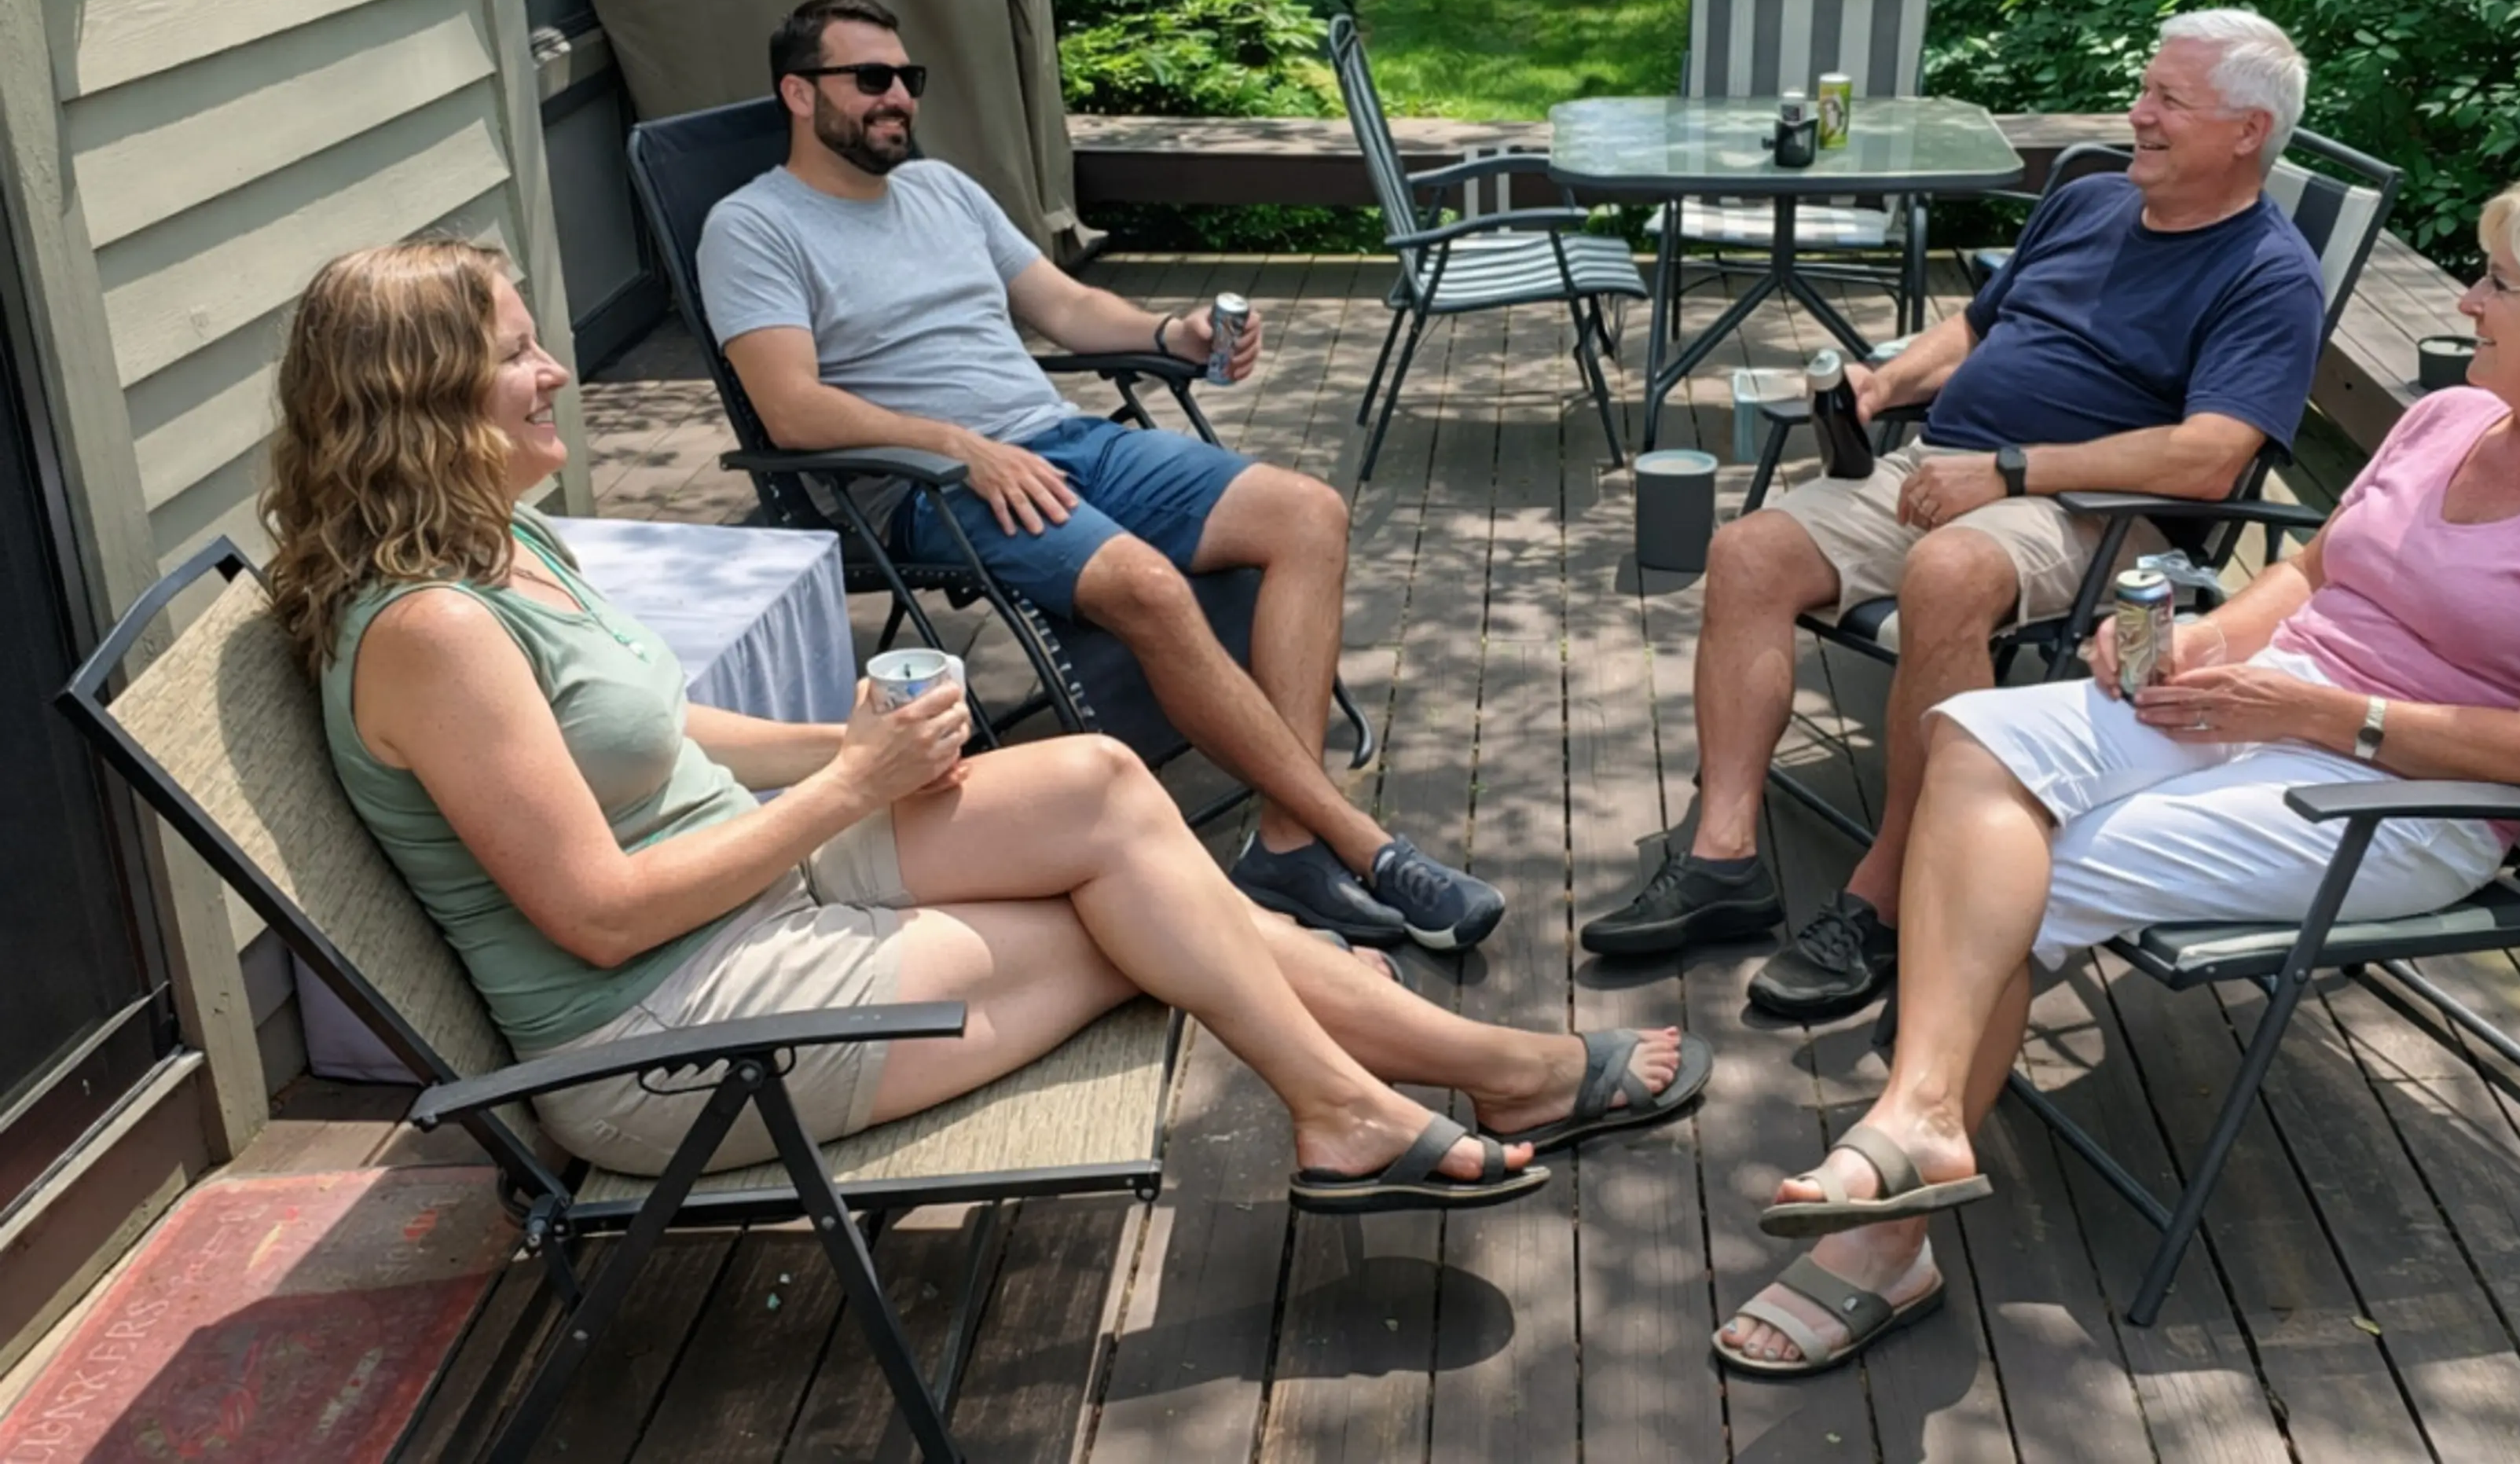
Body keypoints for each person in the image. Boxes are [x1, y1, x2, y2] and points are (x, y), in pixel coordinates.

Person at [264, 241, 1712, 1198]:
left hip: (752, 886)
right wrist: (850, 789)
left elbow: (662, 728)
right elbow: (596, 918)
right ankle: (1431, 1088)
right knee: (1140, 916)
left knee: (1099, 788)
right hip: (671, 1029)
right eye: (518, 356)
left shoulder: (502, 541)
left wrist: (856, 752)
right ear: (420, 398)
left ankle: (1391, 1094)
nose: (556, 375)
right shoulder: (434, 633)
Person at [1714, 174, 2520, 1374]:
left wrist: (2313, 711)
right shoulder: (2451, 418)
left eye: (2498, 284)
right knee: (1974, 738)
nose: (2466, 300)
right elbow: (2315, 574)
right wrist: (2203, 640)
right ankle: (1922, 1117)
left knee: (2040, 864)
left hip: (2403, 800)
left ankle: (1887, 1245)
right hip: (2263, 700)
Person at [696, 0, 1496, 952]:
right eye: (871, 78)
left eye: (909, 78)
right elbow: (791, 406)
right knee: (1147, 585)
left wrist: (1171, 332)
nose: (898, 96)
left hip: (1056, 438)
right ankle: (1361, 843)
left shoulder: (943, 189)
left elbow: (1068, 308)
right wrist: (957, 445)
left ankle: (1288, 838)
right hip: (923, 482)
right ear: (799, 92)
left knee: (1306, 512)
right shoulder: (753, 227)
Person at [1583, 10, 2330, 1025]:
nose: (2138, 114)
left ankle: (1895, 897)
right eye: (2144, 90)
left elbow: (2210, 457)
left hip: (2095, 511)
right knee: (1751, 550)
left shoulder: (2267, 274)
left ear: (2248, 131)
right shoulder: (2091, 200)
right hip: (1947, 463)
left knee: (1946, 571)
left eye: (2168, 100)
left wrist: (2014, 471)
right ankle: (1723, 861)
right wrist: (1883, 383)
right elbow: (1977, 327)